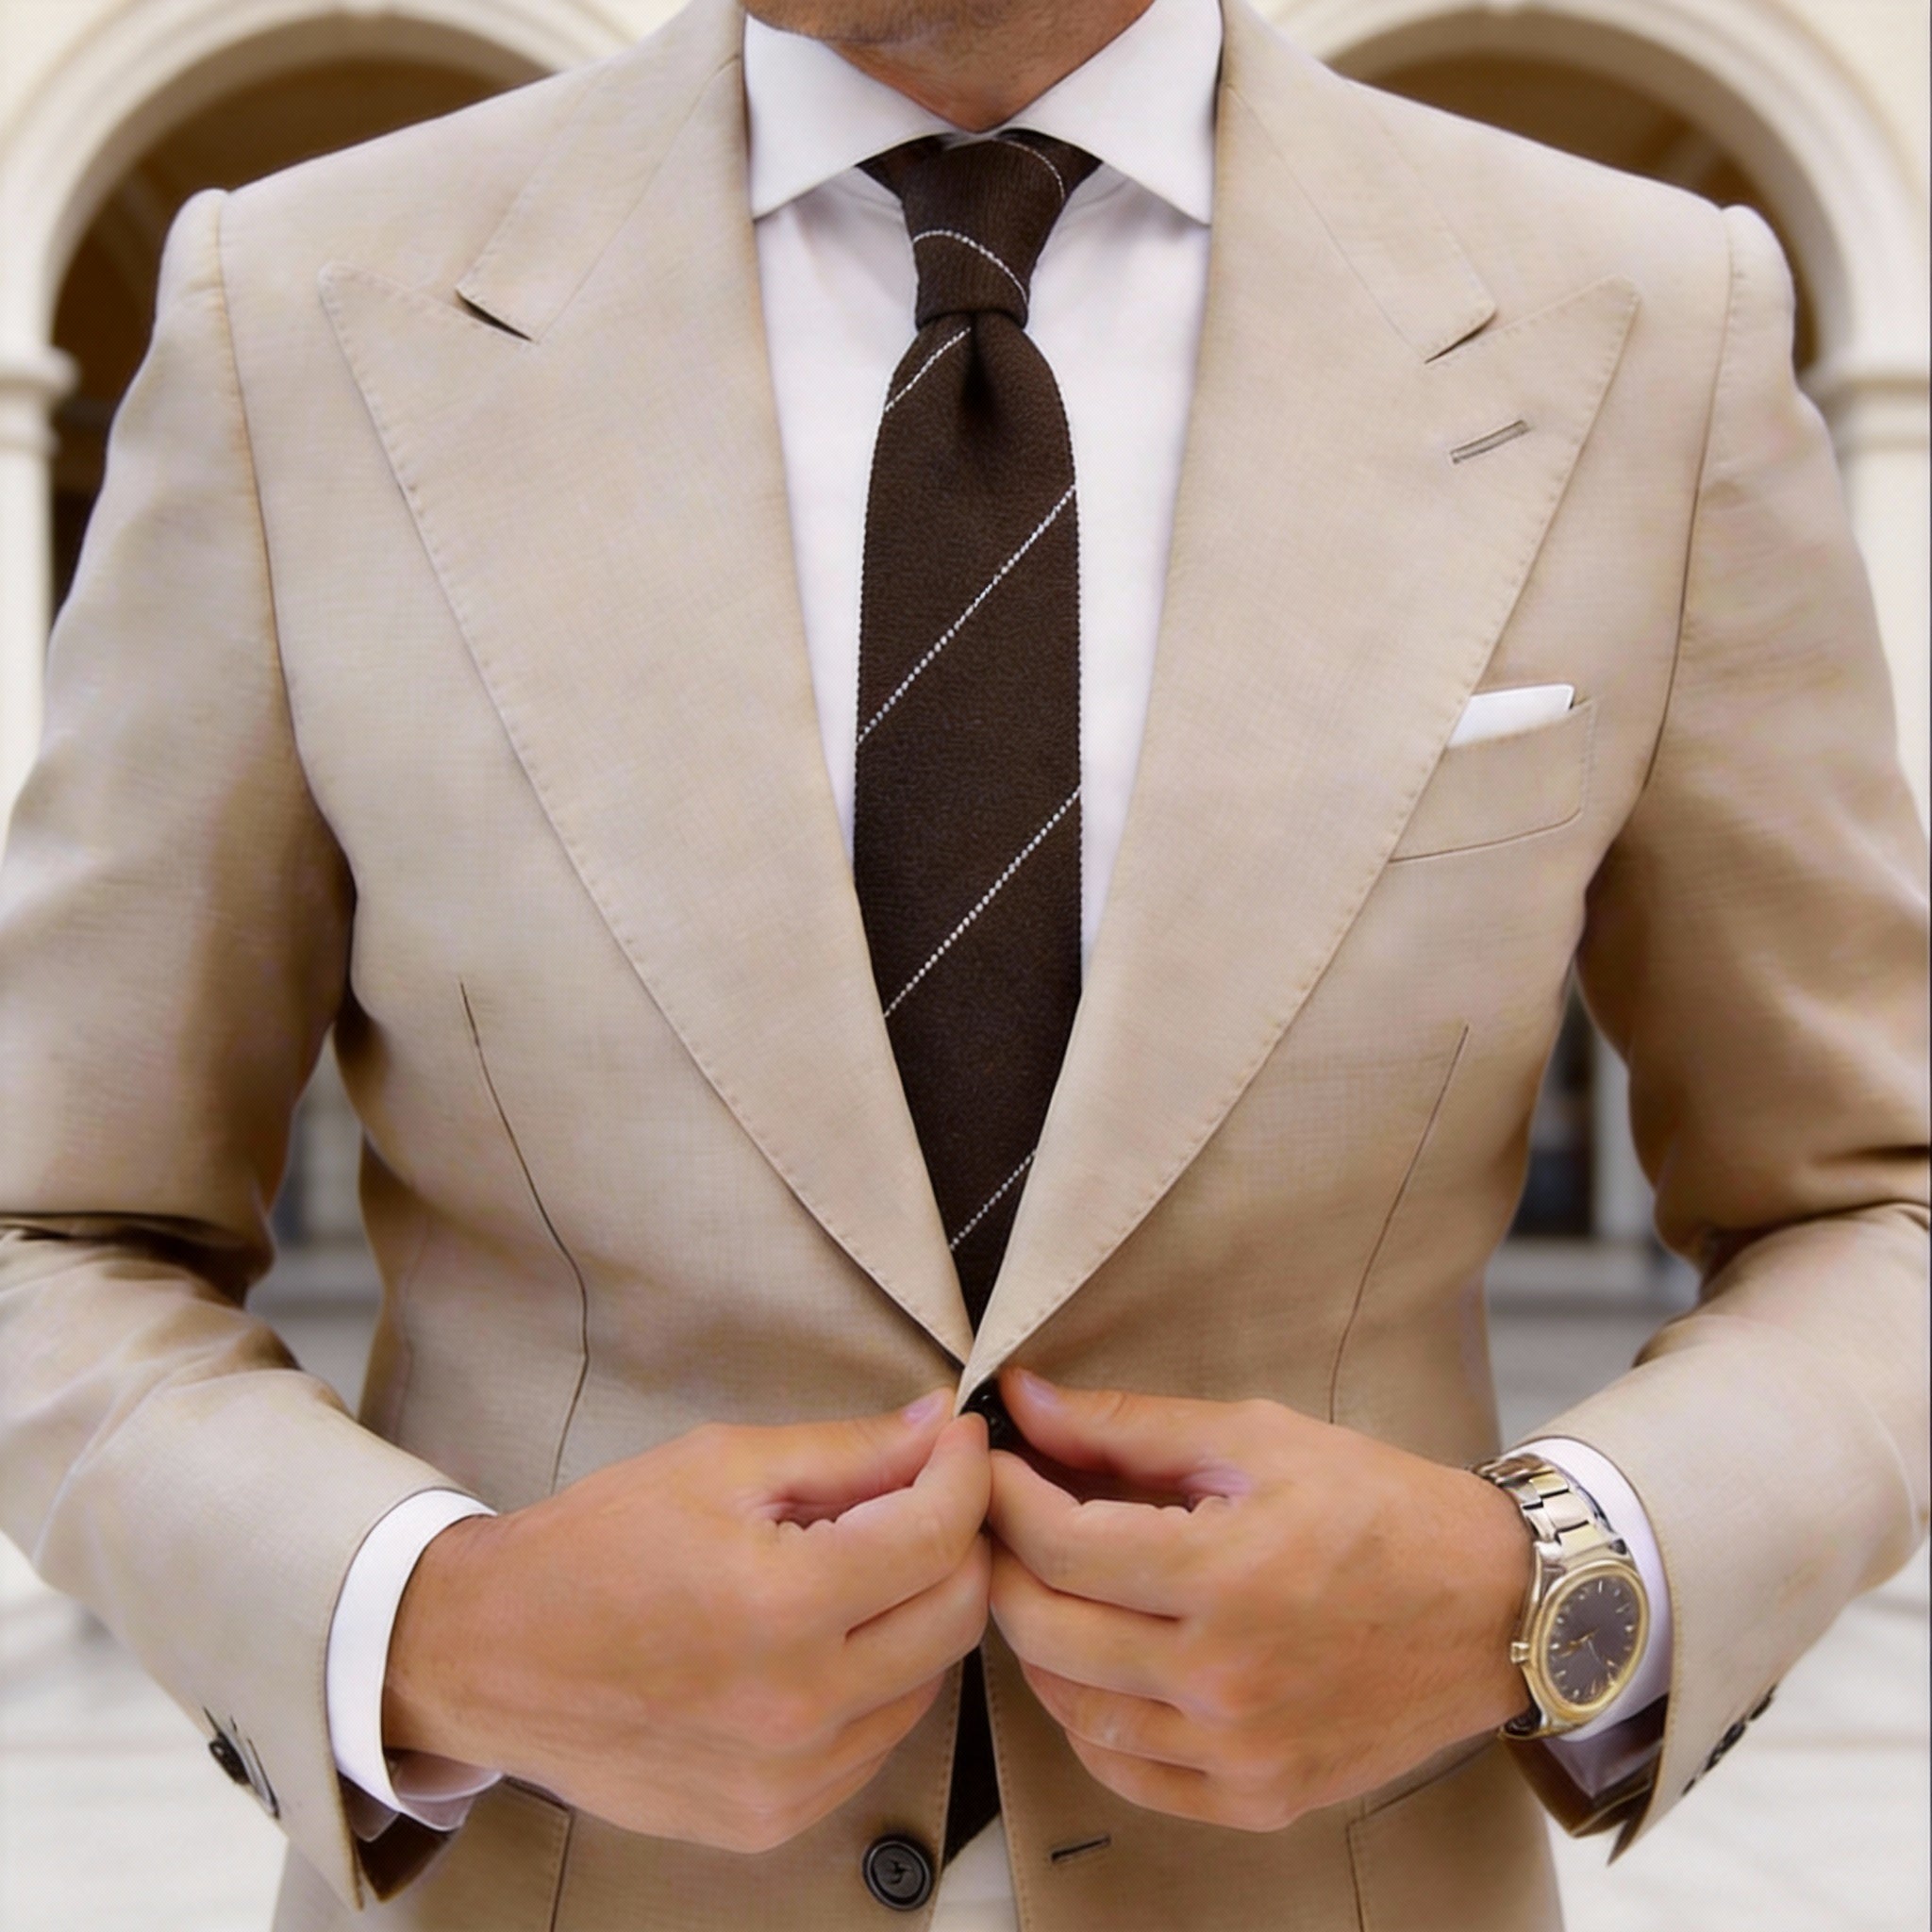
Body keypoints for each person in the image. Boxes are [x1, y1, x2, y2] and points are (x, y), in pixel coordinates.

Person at [0, 0, 1924, 1924]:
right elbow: (50, 1227)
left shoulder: (1644, 318)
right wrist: (431, 1623)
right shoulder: (301, 305)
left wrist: (1544, 1588)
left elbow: (1877, 1202)